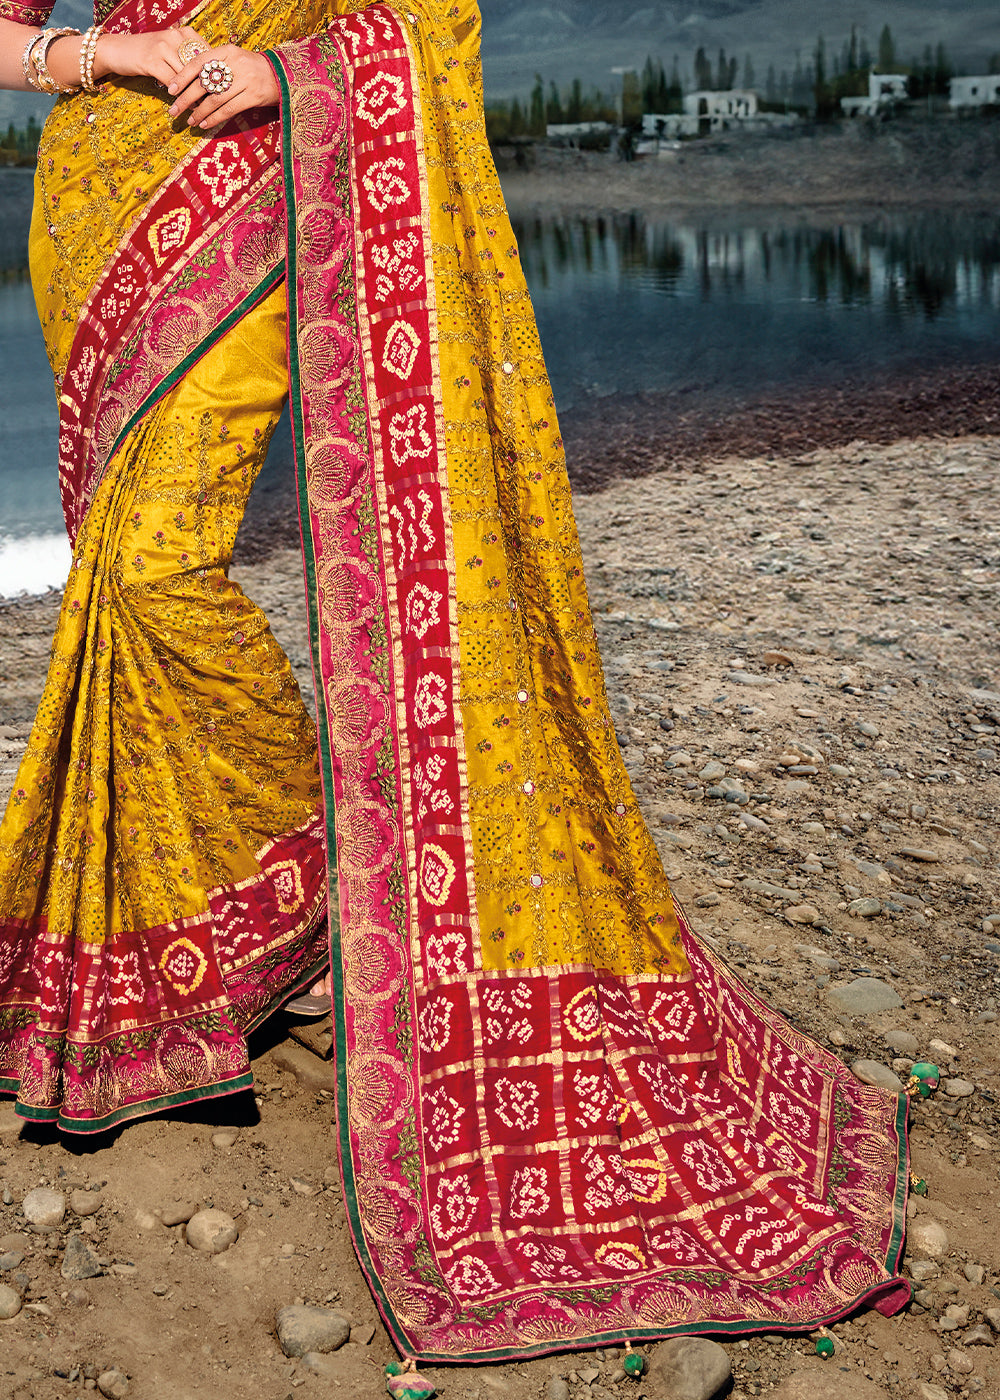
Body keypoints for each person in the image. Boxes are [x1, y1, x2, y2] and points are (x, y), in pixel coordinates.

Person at [0, 0, 910, 1365]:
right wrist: (107, 54)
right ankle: (262, 936)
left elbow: (430, 24)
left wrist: (288, 73)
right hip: (100, 210)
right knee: (121, 579)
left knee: (151, 573)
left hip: (256, 182)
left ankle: (299, 904)